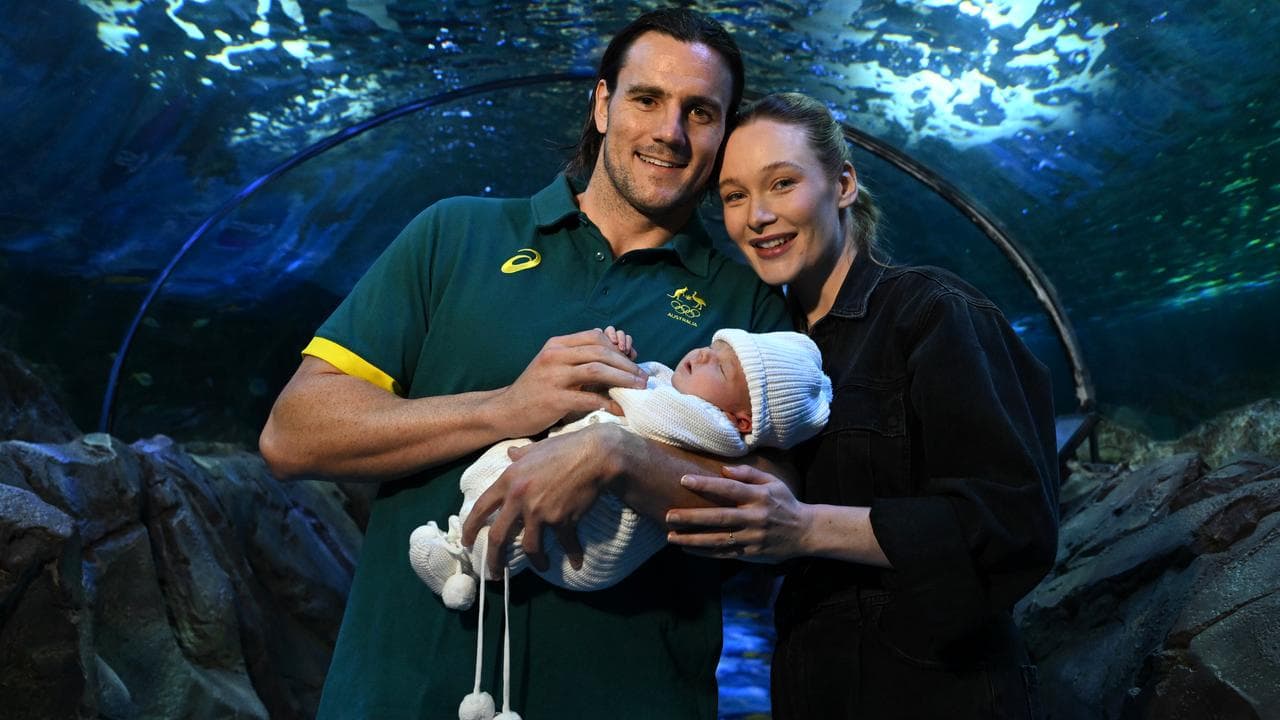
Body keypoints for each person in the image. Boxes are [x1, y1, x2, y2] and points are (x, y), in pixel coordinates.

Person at [258, 9, 791, 720]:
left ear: (723, 134)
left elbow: (772, 525)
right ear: (602, 105)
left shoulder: (747, 311)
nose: (671, 131)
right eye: (646, 99)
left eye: (700, 112)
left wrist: (619, 457)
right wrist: (506, 408)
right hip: (400, 693)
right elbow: (291, 435)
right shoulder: (453, 235)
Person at [665, 92, 1059, 718]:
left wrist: (804, 527)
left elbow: (1014, 524)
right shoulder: (766, 350)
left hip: (940, 693)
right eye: (735, 196)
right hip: (811, 684)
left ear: (843, 183)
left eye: (783, 183)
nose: (757, 216)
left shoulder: (934, 312)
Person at [409, 327, 830, 719]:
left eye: (718, 365)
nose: (702, 354)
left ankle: (472, 562)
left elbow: (648, 413)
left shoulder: (716, 431)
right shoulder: (674, 389)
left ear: (743, 420)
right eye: (714, 347)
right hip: (583, 505)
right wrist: (617, 359)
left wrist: (621, 379)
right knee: (508, 466)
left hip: (598, 538)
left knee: (519, 515)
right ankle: (460, 550)